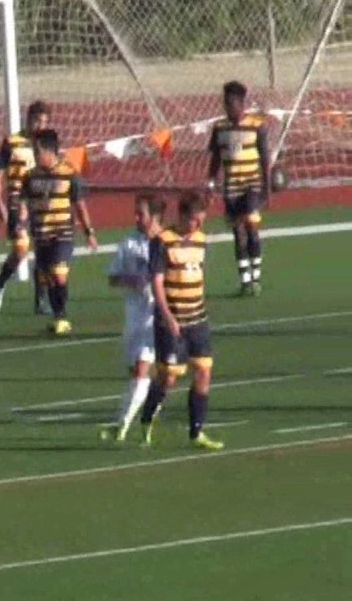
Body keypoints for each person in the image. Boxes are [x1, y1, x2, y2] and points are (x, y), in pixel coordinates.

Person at [136, 190, 224, 451]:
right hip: (171, 322)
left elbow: (200, 273)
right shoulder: (163, 241)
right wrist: (167, 316)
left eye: (201, 220)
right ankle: (146, 419)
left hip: (197, 319)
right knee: (169, 378)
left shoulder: (201, 239)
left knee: (204, 371)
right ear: (182, 215)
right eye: (194, 219)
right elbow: (157, 282)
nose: (197, 225)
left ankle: (196, 433)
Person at [100, 194, 166, 443]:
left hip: (157, 317)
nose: (136, 218)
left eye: (142, 214)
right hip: (133, 318)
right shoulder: (129, 243)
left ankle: (121, 427)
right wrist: (130, 280)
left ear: (155, 217)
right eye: (136, 213)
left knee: (142, 370)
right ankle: (148, 415)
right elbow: (112, 277)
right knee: (137, 375)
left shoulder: (166, 243)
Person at [19, 129, 97, 336]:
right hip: (40, 235)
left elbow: (80, 205)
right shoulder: (29, 177)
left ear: (50, 151)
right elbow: (24, 203)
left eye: (37, 151)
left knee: (59, 274)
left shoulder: (69, 174)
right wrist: (21, 219)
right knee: (49, 279)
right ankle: (57, 318)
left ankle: (62, 316)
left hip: (62, 233)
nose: (35, 155)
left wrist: (89, 232)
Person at [208, 80, 270, 296]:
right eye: (226, 104)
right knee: (238, 233)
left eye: (232, 104)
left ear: (241, 104)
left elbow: (265, 158)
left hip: (251, 185)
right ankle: (245, 280)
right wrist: (211, 182)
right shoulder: (219, 128)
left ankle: (256, 277)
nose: (228, 108)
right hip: (231, 187)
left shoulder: (257, 125)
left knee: (252, 230)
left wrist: (267, 188)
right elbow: (216, 158)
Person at [0, 101, 51, 313]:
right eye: (37, 120)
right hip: (16, 202)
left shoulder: (47, 145)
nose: (40, 126)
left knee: (43, 251)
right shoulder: (12, 142)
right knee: (21, 250)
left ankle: (40, 301)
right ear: (28, 119)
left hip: (39, 202)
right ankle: (0, 285)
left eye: (44, 122)